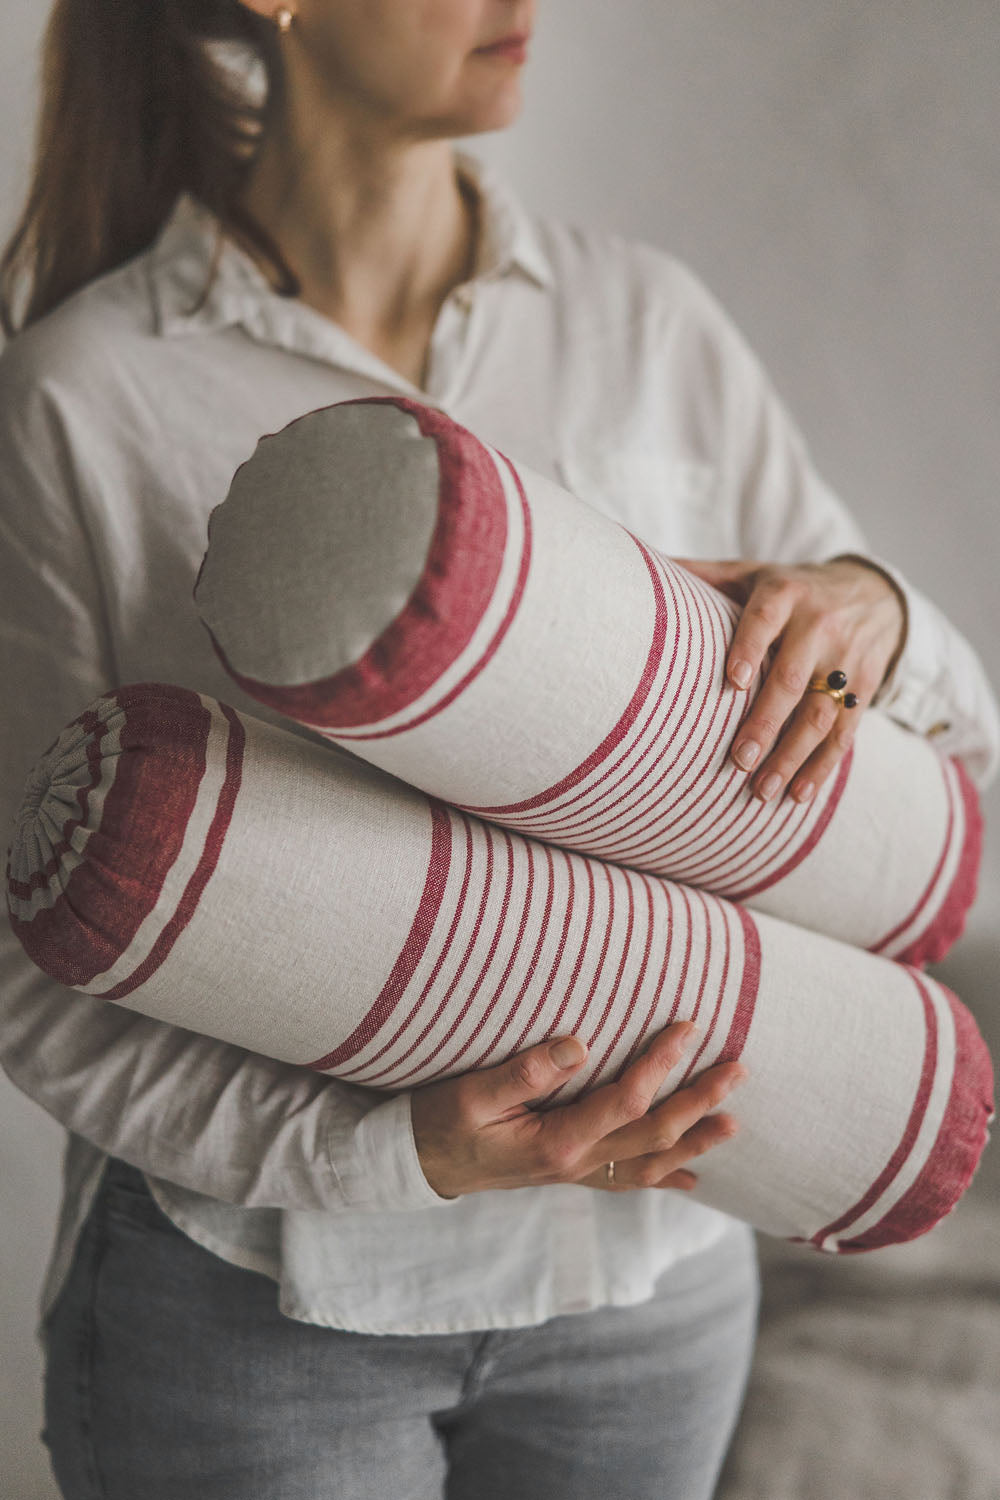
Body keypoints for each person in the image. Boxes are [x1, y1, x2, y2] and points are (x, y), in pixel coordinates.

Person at [0, 3, 996, 1498]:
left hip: (648, 1302)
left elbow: (939, 733)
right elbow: (35, 974)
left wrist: (875, 614)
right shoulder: (90, 391)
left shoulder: (641, 322)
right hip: (254, 1320)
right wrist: (403, 1159)